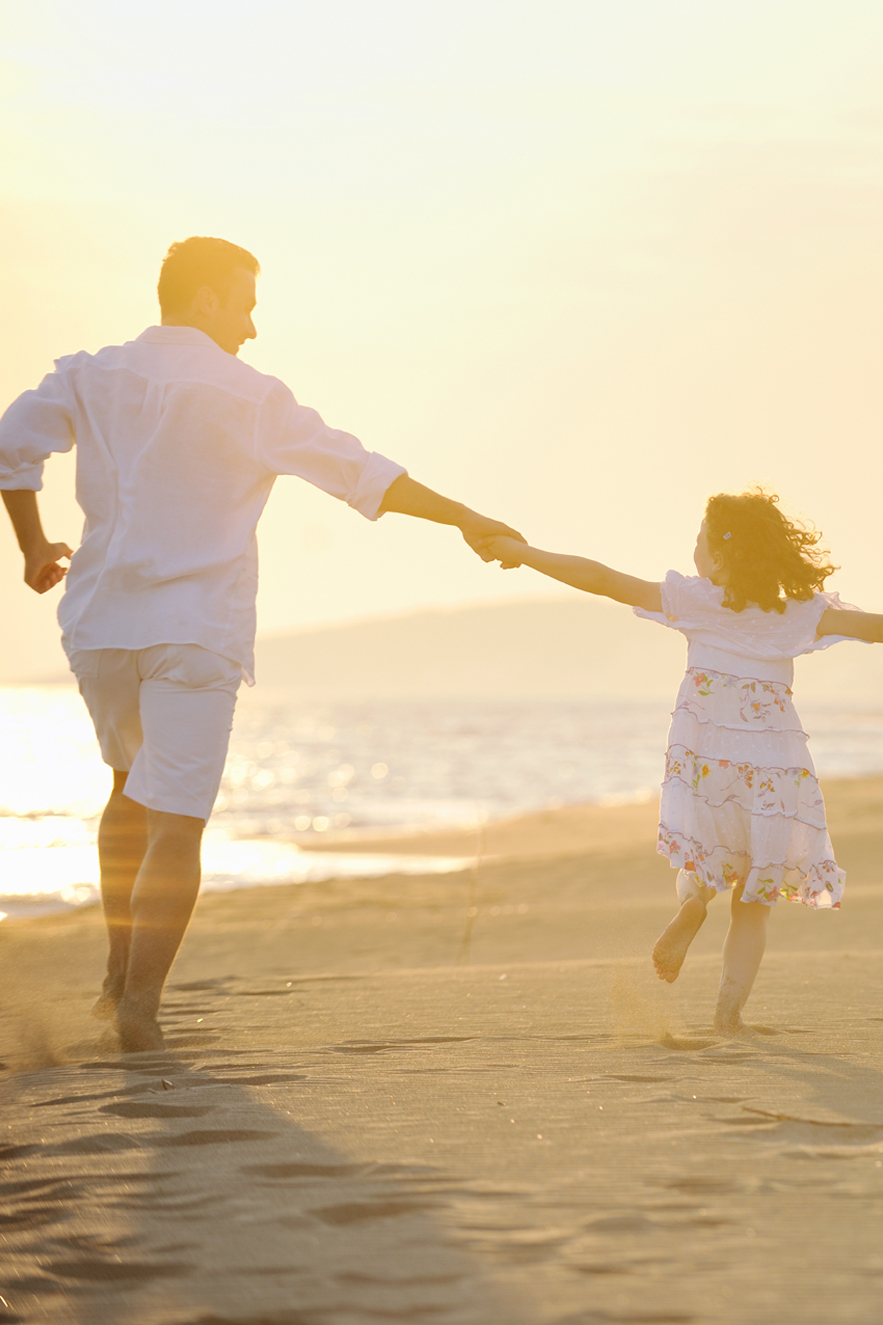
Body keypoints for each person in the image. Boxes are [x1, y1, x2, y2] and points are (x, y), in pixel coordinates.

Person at [0, 236, 523, 1053]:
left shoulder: (89, 373)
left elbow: (10, 445)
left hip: (100, 628)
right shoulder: (248, 395)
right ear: (205, 298)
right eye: (245, 302)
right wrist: (467, 518)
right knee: (175, 818)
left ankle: (113, 977)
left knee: (126, 789)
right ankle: (139, 1005)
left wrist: (32, 546)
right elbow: (362, 472)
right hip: (196, 632)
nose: (251, 325)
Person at [477, 490, 883, 1033]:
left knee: (701, 861)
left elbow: (603, 579)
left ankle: (694, 902)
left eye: (699, 541)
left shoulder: (694, 601)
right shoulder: (800, 613)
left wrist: (524, 552)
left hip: (705, 759)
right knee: (754, 900)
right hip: (774, 763)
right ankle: (728, 1014)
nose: (693, 550)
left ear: (720, 557)